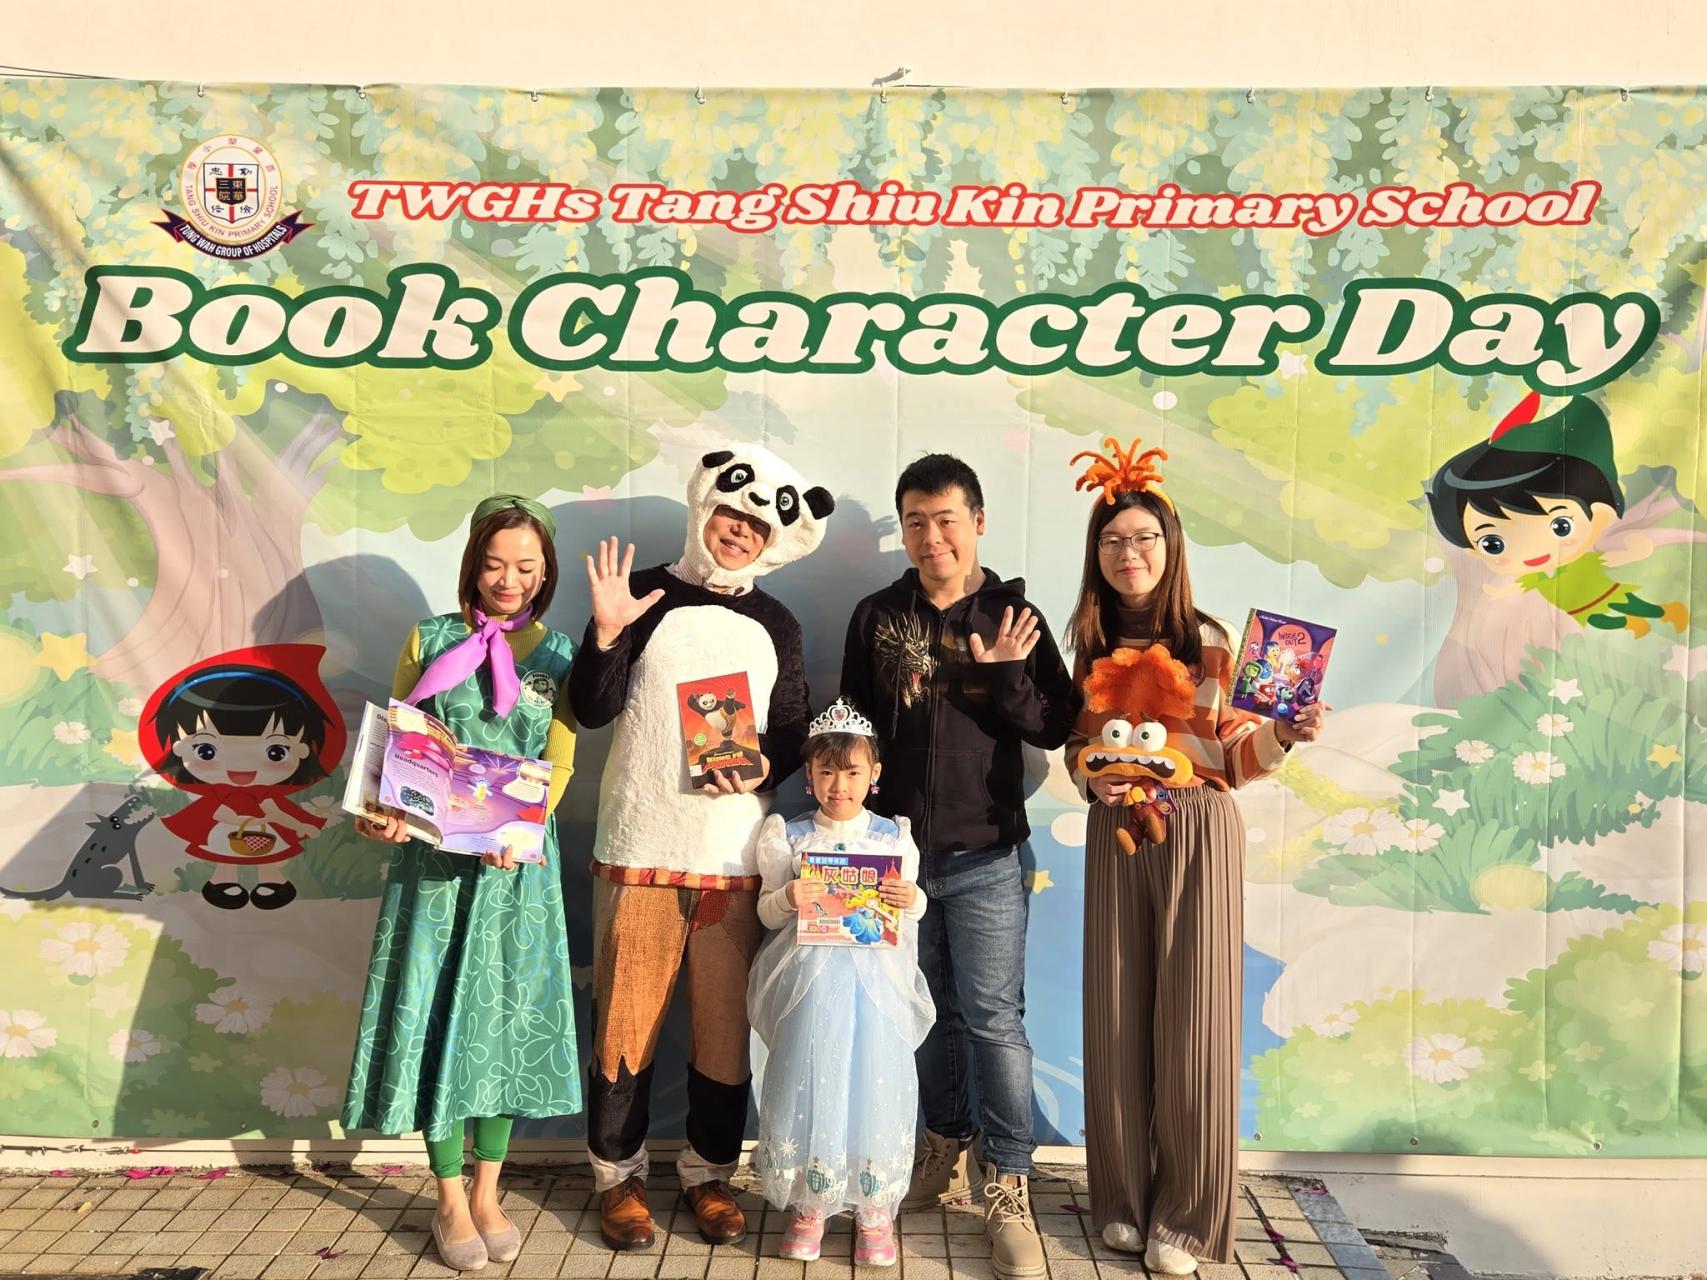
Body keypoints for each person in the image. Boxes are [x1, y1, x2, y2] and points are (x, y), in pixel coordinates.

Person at [1062, 438, 1326, 1276]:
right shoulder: (1087, 643)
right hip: (1117, 832)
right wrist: (1090, 776)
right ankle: (1120, 1199)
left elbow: (1238, 755)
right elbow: (1077, 748)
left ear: (1169, 547)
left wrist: (1285, 733)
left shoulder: (1211, 642)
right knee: (1114, 1013)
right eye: (1112, 541)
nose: (1128, 553)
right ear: (1095, 555)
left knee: (1193, 1023)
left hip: (1196, 829)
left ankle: (1185, 1217)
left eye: (1144, 538)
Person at [569, 446, 834, 1251]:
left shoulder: (777, 623)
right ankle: (616, 1177)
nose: (740, 531)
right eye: (730, 514)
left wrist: (760, 765)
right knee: (624, 1026)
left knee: (723, 1031)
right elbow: (590, 708)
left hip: (731, 858)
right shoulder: (642, 594)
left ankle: (709, 1172)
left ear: (775, 540)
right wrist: (607, 634)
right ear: (703, 505)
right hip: (640, 846)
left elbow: (791, 729)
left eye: (757, 526)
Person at [839, 453, 1076, 1280]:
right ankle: (942, 1147)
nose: (930, 536)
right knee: (924, 1015)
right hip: (894, 858)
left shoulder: (1014, 615)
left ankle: (1006, 1182)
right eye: (915, 521)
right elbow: (852, 722)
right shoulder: (877, 615)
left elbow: (1054, 725)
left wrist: (1007, 679)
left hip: (986, 855)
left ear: (976, 522)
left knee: (992, 1021)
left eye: (945, 519)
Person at [342, 494, 581, 1273]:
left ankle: (488, 1192)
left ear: (545, 573)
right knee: (437, 1014)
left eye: (526, 567)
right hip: (434, 868)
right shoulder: (430, 638)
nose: (509, 580)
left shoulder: (560, 653)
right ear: (473, 566)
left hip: (515, 872)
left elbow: (562, 758)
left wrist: (524, 829)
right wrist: (381, 813)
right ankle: (446, 1196)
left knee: (503, 1024)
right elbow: (399, 740)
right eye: (494, 564)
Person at [747, 699, 935, 1267]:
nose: (839, 785)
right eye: (826, 772)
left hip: (874, 989)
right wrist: (788, 896)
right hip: (811, 984)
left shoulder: (893, 837)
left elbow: (912, 912)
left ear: (874, 774)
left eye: (852, 772)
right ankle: (812, 1203)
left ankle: (873, 1209)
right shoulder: (789, 835)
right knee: (811, 1078)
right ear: (809, 775)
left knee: (871, 1082)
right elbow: (766, 912)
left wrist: (911, 899)